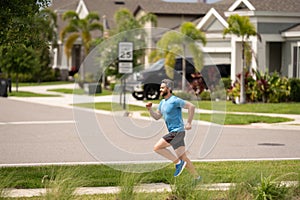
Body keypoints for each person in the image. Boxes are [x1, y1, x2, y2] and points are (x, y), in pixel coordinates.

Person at [146, 79, 200, 180]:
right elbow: (157, 117)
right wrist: (150, 110)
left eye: (162, 87)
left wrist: (189, 122)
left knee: (157, 148)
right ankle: (197, 178)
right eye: (160, 87)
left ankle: (178, 163)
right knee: (183, 157)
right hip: (174, 132)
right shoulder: (162, 102)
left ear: (169, 88)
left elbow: (191, 106)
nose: (160, 89)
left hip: (178, 131)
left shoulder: (175, 100)